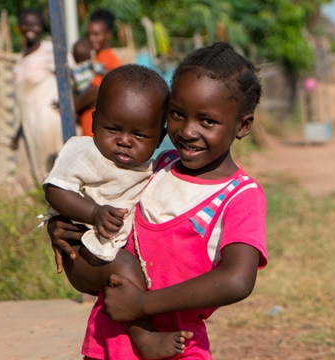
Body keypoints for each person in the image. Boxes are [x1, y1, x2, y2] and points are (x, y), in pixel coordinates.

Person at [47, 42, 267, 359]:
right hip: (107, 342)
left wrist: (142, 304)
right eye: (178, 114)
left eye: (207, 121)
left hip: (176, 347)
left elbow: (237, 280)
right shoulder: (154, 167)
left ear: (243, 125)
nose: (188, 131)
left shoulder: (238, 196)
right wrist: (62, 225)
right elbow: (99, 239)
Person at [43, 64, 189, 359]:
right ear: (94, 122)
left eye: (139, 135)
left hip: (111, 250)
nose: (124, 140)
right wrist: (93, 213)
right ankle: (145, 339)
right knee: (124, 268)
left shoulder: (152, 167)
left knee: (129, 268)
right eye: (113, 129)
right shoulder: (83, 152)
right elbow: (54, 189)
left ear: (159, 139)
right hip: (81, 251)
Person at [11, 8, 64, 183]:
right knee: (33, 172)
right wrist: (18, 132)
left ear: (41, 27)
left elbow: (70, 75)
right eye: (26, 24)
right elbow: (22, 99)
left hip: (47, 118)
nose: (30, 28)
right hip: (28, 122)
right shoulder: (21, 56)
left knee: (52, 168)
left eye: (34, 24)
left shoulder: (50, 49)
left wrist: (68, 104)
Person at [76, 9, 123, 137]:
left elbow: (94, 91)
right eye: (88, 35)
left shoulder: (105, 58)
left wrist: (73, 109)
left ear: (108, 35)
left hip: (95, 129)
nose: (91, 39)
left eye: (96, 34)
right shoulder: (102, 58)